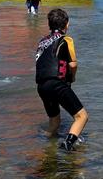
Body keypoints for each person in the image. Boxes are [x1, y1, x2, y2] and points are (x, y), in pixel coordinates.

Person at [35, 8, 88, 151]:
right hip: (56, 83)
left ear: (49, 25)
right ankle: (68, 145)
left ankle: (46, 145)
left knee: (54, 121)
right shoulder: (66, 39)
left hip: (41, 85)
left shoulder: (42, 41)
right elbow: (73, 64)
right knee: (81, 116)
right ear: (67, 24)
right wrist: (72, 77)